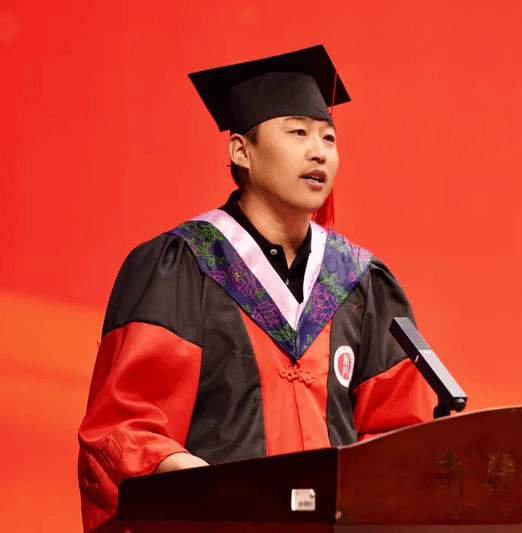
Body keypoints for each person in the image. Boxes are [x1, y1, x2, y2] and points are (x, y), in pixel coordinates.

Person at [77, 45, 434, 533]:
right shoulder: (181, 269)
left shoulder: (360, 283)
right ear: (241, 151)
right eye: (298, 132)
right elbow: (125, 426)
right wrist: (203, 486)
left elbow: (399, 432)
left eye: (329, 138)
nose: (319, 151)